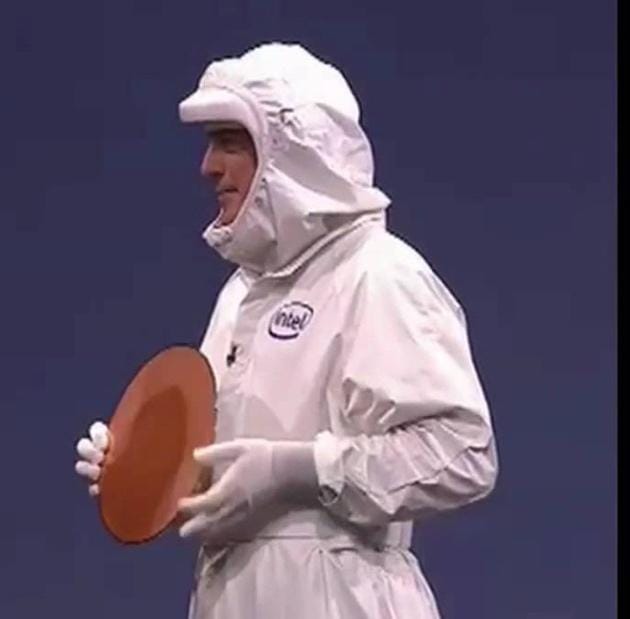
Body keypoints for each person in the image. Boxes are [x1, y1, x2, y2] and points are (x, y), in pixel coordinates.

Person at [74, 43, 498, 618]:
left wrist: (298, 471)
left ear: (292, 148)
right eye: (209, 145)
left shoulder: (377, 272)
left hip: (342, 597)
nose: (208, 167)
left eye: (230, 142)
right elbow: (223, 472)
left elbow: (463, 452)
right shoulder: (240, 294)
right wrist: (146, 469)